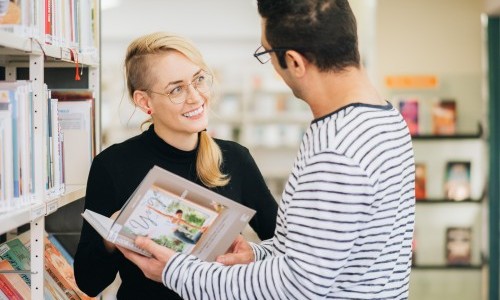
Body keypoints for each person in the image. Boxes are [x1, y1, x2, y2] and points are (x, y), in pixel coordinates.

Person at [118, 0, 416, 299]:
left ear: (295, 62)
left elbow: (297, 286)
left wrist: (174, 270)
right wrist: (257, 254)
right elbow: (316, 255)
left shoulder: (337, 149)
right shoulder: (384, 118)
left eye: (267, 53)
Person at [73, 32, 278, 299]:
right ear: (145, 101)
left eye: (199, 80)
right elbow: (89, 282)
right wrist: (112, 232)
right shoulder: (113, 165)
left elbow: (285, 247)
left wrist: (249, 256)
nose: (196, 97)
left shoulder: (235, 159)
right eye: (177, 89)